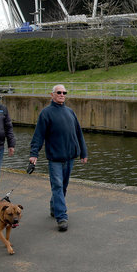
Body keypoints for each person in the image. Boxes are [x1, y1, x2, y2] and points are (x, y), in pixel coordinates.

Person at [29, 84, 88, 232]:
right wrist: (34, 154)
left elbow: (78, 134)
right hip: (55, 158)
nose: (62, 94)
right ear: (52, 95)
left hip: (70, 157)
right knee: (57, 185)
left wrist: (83, 153)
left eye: (64, 92)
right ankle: (62, 217)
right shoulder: (46, 113)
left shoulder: (70, 112)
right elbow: (38, 136)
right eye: (59, 92)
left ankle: (54, 208)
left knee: (63, 186)